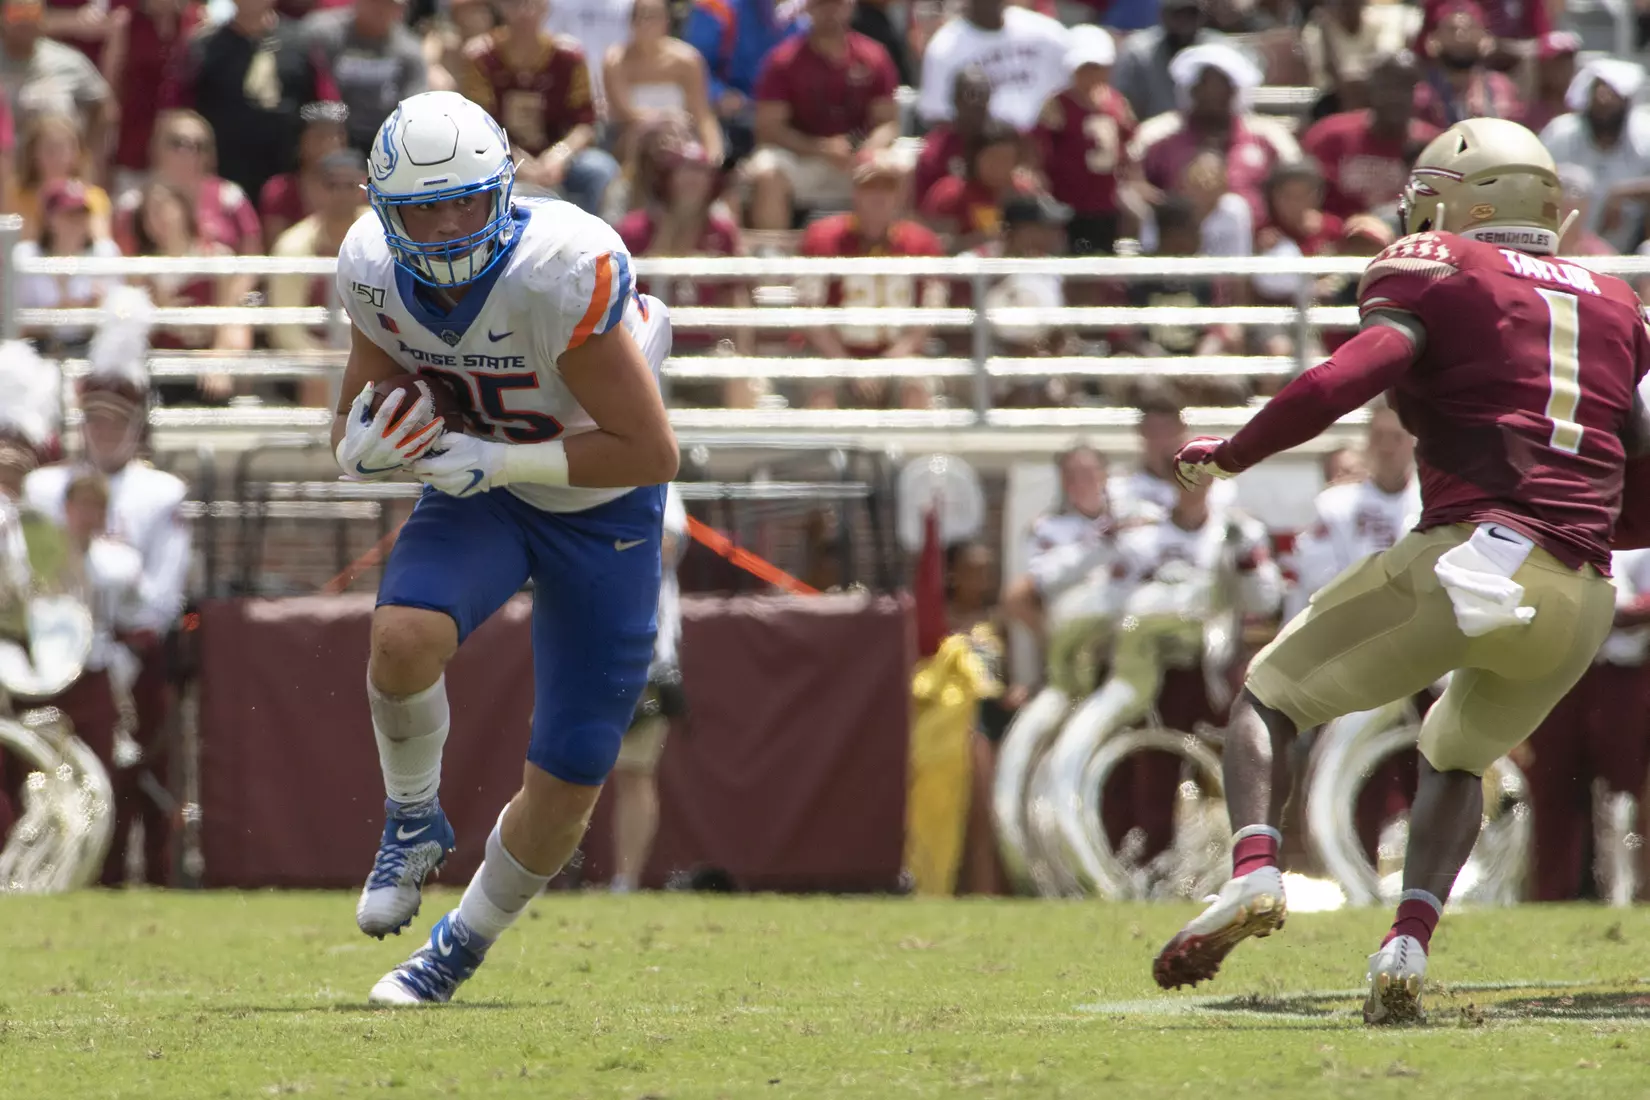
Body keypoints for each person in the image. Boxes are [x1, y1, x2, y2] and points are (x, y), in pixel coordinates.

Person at [1155, 119, 1650, 1026]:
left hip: (1474, 553)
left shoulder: (1441, 267)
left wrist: (1235, 452)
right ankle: (1406, 943)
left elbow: (1346, 376)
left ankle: (1256, 871)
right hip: (1580, 594)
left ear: (1469, 202)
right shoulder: (1615, 303)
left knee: (1270, 695)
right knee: (1456, 753)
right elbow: (1644, 477)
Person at [332, 90, 677, 1005]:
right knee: (402, 638)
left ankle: (458, 947)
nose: (445, 228)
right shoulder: (371, 269)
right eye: (421, 209)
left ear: (505, 192)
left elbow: (650, 450)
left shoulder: (560, 268)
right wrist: (358, 446)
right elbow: (355, 411)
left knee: (568, 780)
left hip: (601, 507)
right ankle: (411, 818)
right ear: (382, 211)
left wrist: (492, 456)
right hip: (483, 488)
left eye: (464, 203)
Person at [25, 286, 192, 888]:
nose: (101, 431)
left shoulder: (160, 493)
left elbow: (162, 595)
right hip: (48, 654)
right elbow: (33, 574)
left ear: (136, 425)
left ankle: (135, 873)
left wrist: (120, 614)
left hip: (127, 652)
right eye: (93, 418)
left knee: (135, 770)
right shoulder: (46, 490)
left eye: (114, 420)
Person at [609, 481, 688, 894]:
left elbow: (665, 544)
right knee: (555, 762)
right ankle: (530, 874)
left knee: (634, 771)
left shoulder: (659, 482)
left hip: (645, 656)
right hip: (578, 645)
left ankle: (625, 880)